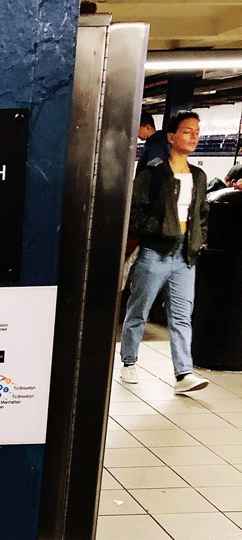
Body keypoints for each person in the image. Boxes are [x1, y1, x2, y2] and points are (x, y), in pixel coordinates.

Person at [120, 111, 210, 395]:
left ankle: (184, 373)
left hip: (185, 257)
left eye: (196, 131)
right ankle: (128, 361)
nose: (193, 136)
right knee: (139, 310)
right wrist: (159, 228)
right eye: (187, 131)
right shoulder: (153, 174)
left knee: (182, 316)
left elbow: (202, 214)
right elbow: (132, 213)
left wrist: (198, 239)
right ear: (171, 137)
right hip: (155, 254)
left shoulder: (199, 175)